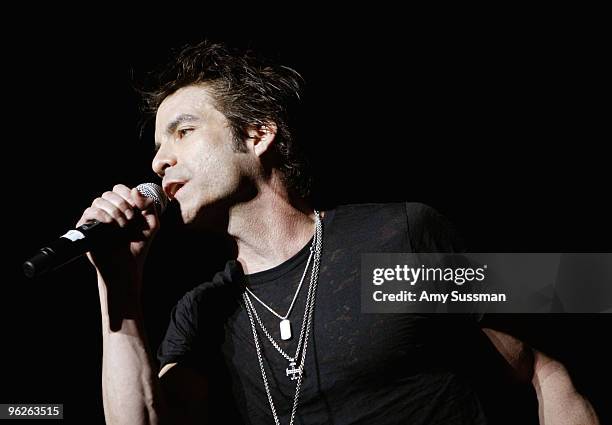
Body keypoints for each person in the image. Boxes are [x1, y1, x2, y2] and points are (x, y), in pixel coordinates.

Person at [77, 41, 599, 425]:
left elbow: (542, 368)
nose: (158, 159)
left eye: (183, 131)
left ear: (258, 134)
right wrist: (117, 286)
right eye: (157, 144)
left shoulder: (397, 234)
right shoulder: (204, 311)